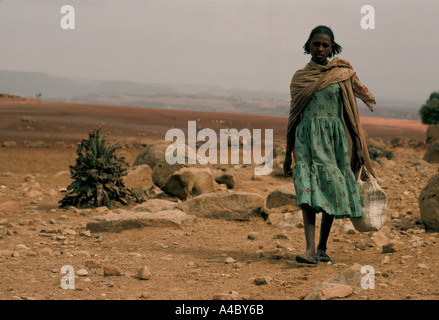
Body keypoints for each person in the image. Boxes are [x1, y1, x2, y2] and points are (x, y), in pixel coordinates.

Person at [283, 25, 376, 264]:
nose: (320, 49)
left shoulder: (342, 75)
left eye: (326, 45)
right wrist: (287, 152)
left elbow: (350, 113)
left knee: (331, 188)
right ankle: (310, 250)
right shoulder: (299, 77)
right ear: (308, 46)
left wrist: (358, 145)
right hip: (305, 138)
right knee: (307, 190)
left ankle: (322, 248)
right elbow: (294, 116)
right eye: (316, 44)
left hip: (333, 139)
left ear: (332, 47)